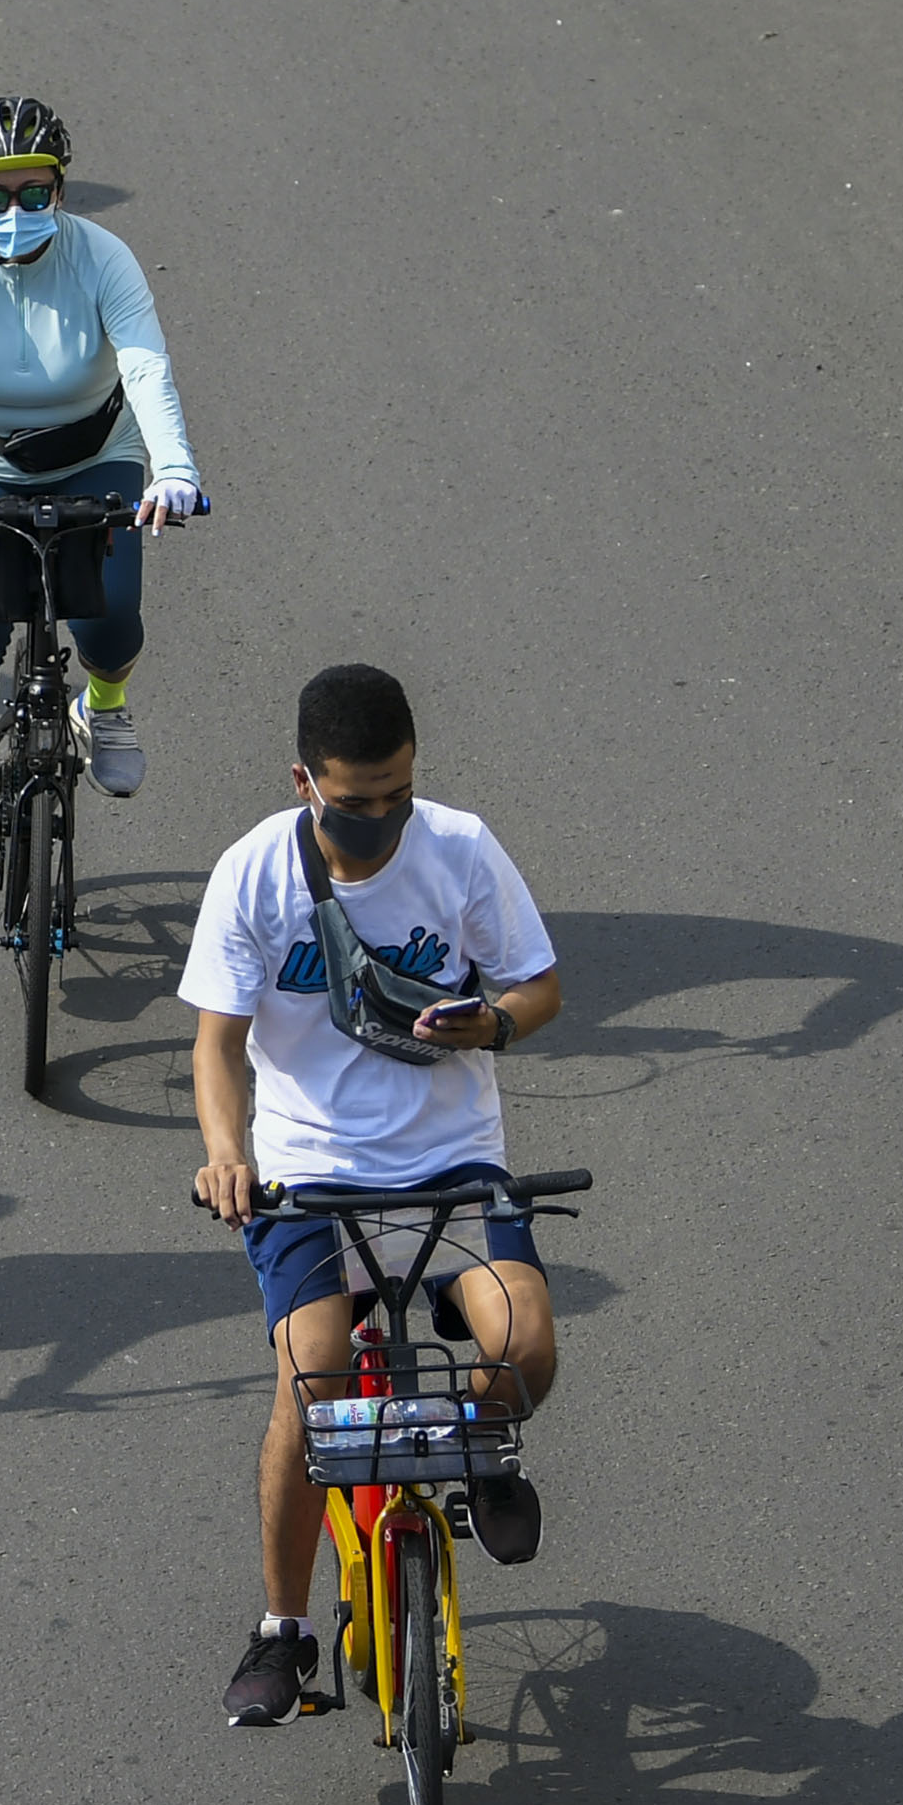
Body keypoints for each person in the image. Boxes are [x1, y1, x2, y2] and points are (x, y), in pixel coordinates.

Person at [184, 664, 564, 1728]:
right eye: (357, 800)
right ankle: (283, 1630)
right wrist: (226, 1155)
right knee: (310, 1388)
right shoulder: (253, 874)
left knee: (525, 1348)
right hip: (311, 1179)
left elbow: (539, 986)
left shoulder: (461, 848)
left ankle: (479, 1446)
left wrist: (496, 1022)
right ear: (304, 782)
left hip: (453, 1165)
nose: (383, 817)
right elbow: (215, 1046)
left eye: (399, 791)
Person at [0, 95, 209, 891]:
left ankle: (103, 705)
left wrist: (175, 468)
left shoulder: (104, 257)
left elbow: (145, 366)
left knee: (110, 616)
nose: (13, 212)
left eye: (33, 193)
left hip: (95, 453)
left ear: (60, 189)